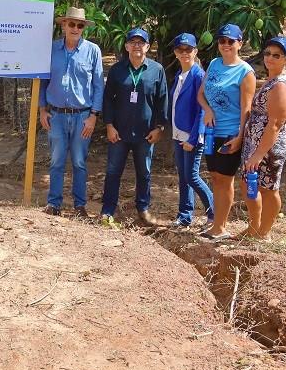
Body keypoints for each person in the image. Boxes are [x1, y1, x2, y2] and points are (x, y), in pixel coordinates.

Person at [39, 6, 104, 218]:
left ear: (83, 28)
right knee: (56, 161)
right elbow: (43, 81)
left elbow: (98, 86)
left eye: (80, 25)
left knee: (79, 162)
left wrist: (94, 116)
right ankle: (54, 204)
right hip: (56, 115)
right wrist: (42, 110)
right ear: (64, 25)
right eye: (72, 24)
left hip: (82, 116)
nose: (75, 28)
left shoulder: (92, 51)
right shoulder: (51, 49)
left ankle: (79, 206)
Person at [100, 28, 167, 225]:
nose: (137, 46)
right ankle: (107, 209)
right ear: (127, 46)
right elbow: (108, 100)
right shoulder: (117, 70)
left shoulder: (157, 70)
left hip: (145, 134)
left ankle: (143, 209)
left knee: (144, 173)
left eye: (141, 42)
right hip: (119, 132)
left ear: (147, 46)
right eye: (133, 42)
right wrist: (109, 125)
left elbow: (162, 100)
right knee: (113, 171)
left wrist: (160, 127)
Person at [198, 23, 256, 241]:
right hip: (212, 130)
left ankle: (220, 226)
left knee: (225, 178)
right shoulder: (214, 64)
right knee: (215, 177)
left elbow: (246, 109)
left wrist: (240, 137)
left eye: (230, 41)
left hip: (231, 132)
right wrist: (207, 110)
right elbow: (201, 94)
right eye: (222, 41)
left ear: (240, 43)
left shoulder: (245, 72)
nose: (225, 45)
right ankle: (216, 223)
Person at [239, 36, 286, 240]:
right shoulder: (272, 80)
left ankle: (263, 232)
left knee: (268, 188)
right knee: (251, 185)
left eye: (276, 55)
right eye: (267, 54)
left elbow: (275, 124)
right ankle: (254, 227)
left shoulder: (280, 85)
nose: (270, 58)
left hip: (267, 148)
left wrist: (258, 154)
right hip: (255, 146)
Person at [168, 33, 214, 228]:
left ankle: (215, 212)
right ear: (175, 53)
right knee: (183, 176)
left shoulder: (198, 75)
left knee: (192, 176)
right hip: (179, 133)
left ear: (195, 51)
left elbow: (203, 110)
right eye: (180, 50)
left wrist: (194, 138)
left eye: (189, 49)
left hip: (192, 135)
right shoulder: (180, 75)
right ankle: (185, 215)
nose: (184, 53)